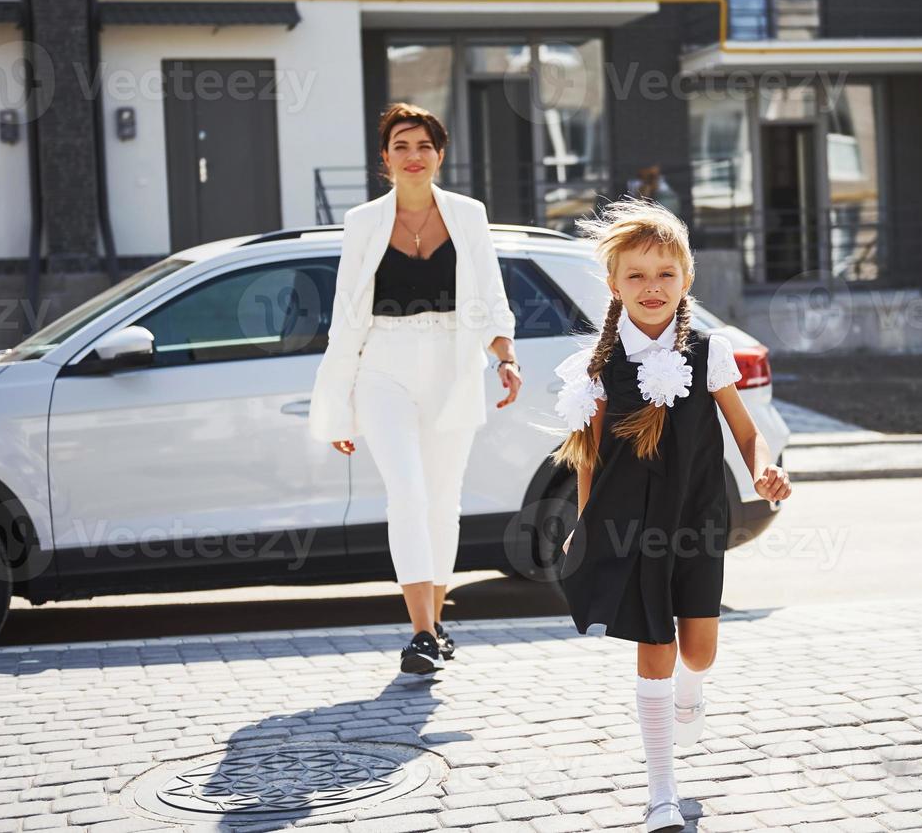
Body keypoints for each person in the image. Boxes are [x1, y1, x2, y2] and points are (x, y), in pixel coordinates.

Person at [549, 198, 792, 832]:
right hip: (631, 529)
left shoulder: (709, 351)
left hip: (697, 518)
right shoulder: (598, 369)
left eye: (665, 274)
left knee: (699, 652)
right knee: (653, 650)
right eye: (636, 275)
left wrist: (765, 469)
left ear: (686, 279)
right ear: (614, 284)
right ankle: (661, 793)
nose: (651, 287)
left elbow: (746, 432)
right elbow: (589, 459)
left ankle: (693, 691)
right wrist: (585, 525)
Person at [307, 102, 521, 675]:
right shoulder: (361, 223)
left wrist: (505, 355)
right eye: (401, 145)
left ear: (440, 154)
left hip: (454, 361)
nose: (413, 156)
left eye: (423, 145)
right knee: (406, 493)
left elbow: (493, 296)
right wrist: (340, 402)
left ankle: (435, 618)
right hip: (384, 363)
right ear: (385, 158)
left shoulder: (469, 216)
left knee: (443, 501)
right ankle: (421, 633)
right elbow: (345, 315)